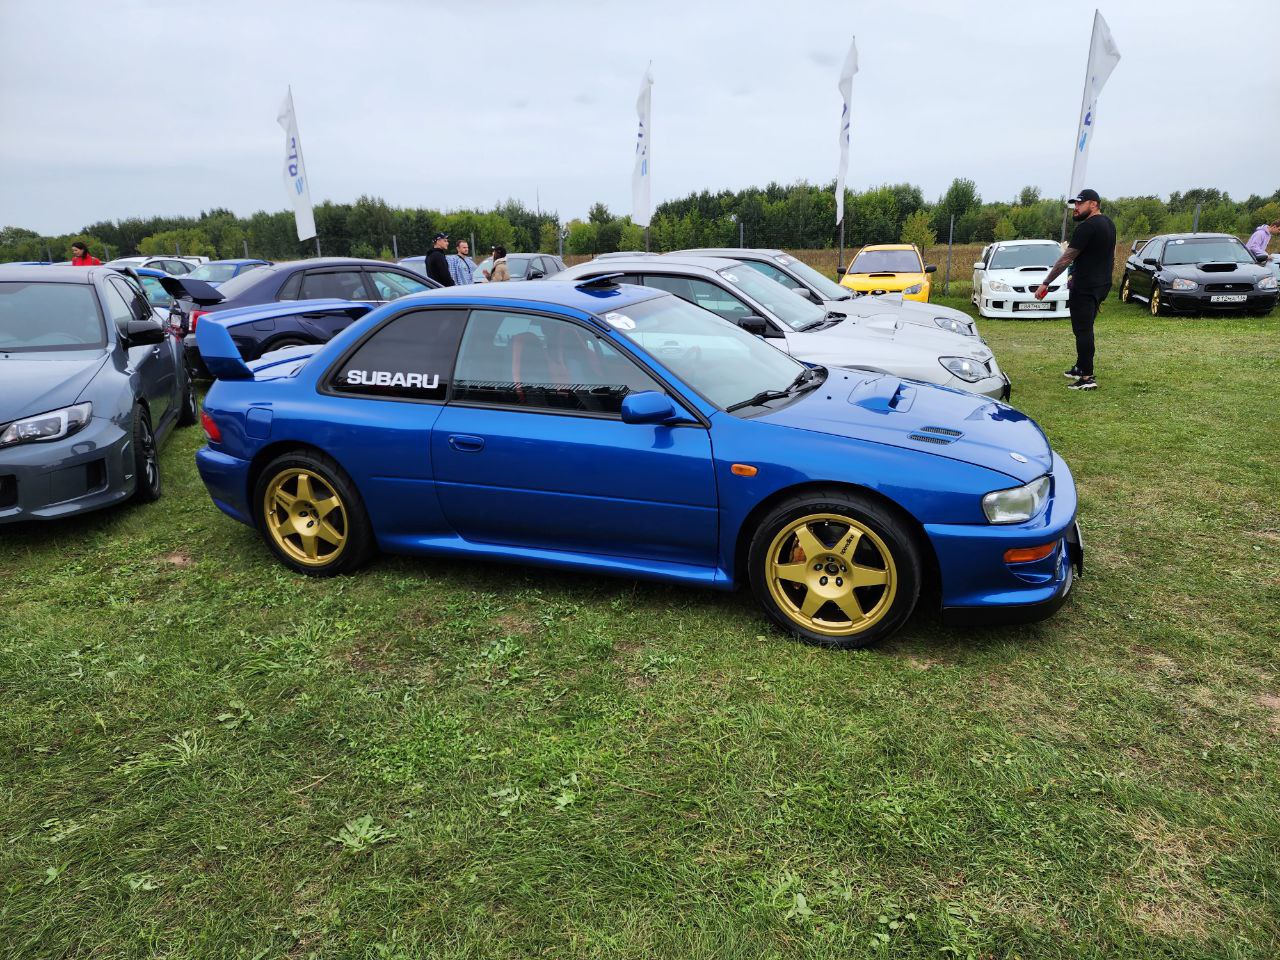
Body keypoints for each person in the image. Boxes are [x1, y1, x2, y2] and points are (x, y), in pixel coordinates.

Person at [1035, 188, 1115, 392]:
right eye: (1075, 204)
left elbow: (1066, 258)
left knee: (1083, 330)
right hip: (1101, 284)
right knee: (1082, 328)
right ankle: (1080, 367)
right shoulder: (1108, 223)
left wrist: (1046, 282)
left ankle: (1087, 377)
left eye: (1080, 204)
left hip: (1086, 285)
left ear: (1094, 204)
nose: (1076, 208)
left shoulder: (1087, 227)